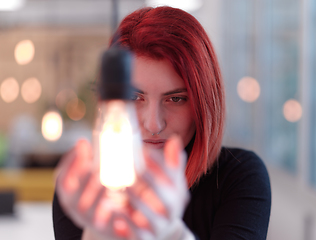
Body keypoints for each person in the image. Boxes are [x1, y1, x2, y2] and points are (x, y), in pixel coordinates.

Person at [53, 6, 271, 240]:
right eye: (134, 97)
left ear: (204, 103)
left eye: (176, 99)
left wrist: (170, 233)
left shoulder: (238, 176)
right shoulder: (87, 189)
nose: (154, 124)